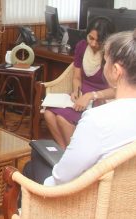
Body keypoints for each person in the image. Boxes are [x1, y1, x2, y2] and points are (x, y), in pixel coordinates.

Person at [24, 29, 136, 186]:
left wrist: (44, 185)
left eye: (106, 60)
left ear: (116, 71)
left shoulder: (97, 120)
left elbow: (61, 178)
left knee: (32, 164)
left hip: (84, 194)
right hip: (121, 196)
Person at [44, 17, 116, 149]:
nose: (93, 44)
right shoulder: (82, 46)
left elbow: (115, 90)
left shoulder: (113, 54)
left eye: (98, 41)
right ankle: (64, 152)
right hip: (82, 95)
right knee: (48, 114)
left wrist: (90, 96)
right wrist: (76, 92)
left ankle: (73, 155)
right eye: (91, 38)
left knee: (61, 119)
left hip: (101, 99)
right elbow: (76, 77)